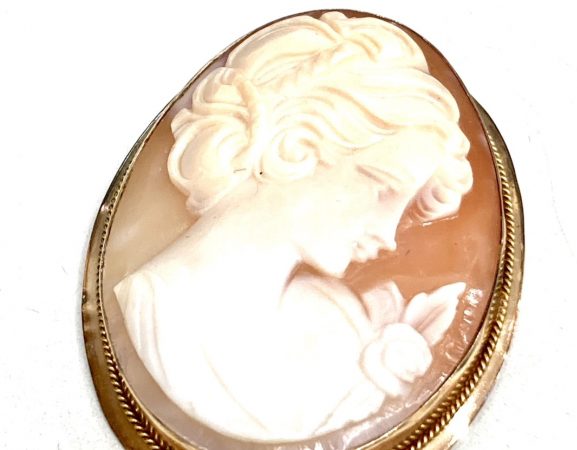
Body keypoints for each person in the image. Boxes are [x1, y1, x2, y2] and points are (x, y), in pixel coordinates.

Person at [115, 11, 472, 443]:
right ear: (295, 146)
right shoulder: (148, 312)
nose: (390, 237)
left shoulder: (342, 326)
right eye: (383, 189)